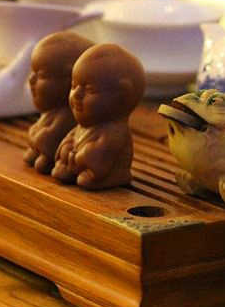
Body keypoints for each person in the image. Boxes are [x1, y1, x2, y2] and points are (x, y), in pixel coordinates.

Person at [52, 44, 145, 190]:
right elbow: (70, 140)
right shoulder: (83, 126)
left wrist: (78, 155)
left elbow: (98, 156)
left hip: (102, 171)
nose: (76, 95)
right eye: (74, 86)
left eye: (90, 90)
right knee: (62, 167)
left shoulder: (114, 132)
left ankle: (112, 177)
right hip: (77, 162)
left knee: (86, 179)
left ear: (122, 97)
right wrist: (67, 147)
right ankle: (71, 168)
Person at [24, 32, 94, 174]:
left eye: (42, 75)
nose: (31, 79)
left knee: (43, 162)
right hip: (42, 145)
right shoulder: (52, 112)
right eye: (33, 72)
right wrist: (36, 131)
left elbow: (53, 135)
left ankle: (46, 158)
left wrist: (39, 135)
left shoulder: (68, 116)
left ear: (69, 80)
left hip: (53, 151)